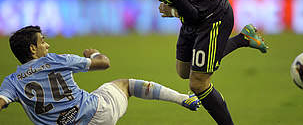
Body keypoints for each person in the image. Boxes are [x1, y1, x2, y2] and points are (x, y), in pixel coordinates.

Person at [112, 0, 268, 124]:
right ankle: (243, 38)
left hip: (213, 17)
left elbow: (193, 15)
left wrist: (171, 11)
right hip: (194, 18)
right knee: (184, 71)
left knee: (198, 83)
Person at [0, 25, 200, 125]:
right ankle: (184, 99)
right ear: (33, 49)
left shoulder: (11, 82)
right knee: (126, 84)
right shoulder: (56, 59)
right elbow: (104, 63)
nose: (47, 45)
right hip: (96, 114)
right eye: (42, 41)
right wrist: (93, 54)